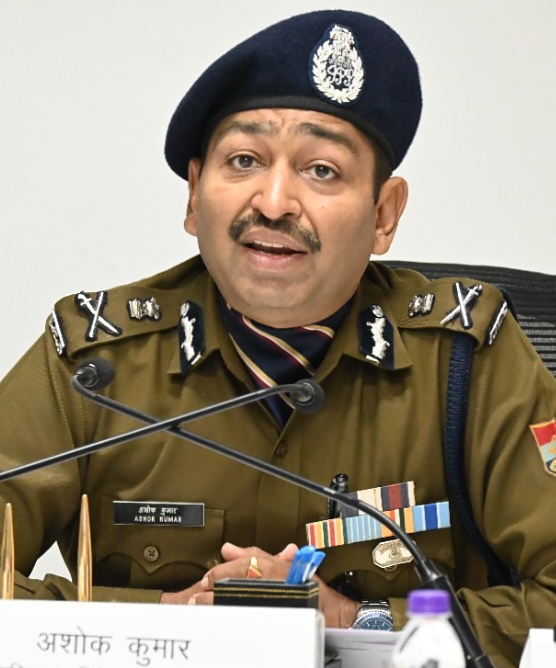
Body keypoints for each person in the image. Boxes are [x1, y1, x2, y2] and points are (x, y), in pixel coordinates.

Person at [0, 9, 554, 668]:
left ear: (383, 215)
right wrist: (170, 621)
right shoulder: (95, 366)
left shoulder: (466, 357)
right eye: (244, 161)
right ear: (193, 196)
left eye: (322, 170)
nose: (272, 202)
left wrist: (359, 620)